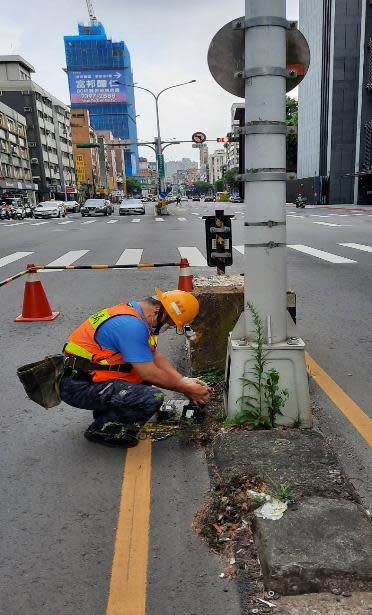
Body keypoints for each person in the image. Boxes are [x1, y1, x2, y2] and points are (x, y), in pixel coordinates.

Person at [60, 288, 210, 448]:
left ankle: (108, 414)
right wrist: (184, 388)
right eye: (169, 322)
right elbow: (148, 372)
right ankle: (104, 431)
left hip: (88, 380)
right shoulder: (131, 326)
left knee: (139, 380)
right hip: (78, 387)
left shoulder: (133, 315)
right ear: (158, 310)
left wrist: (183, 381)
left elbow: (154, 357)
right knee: (151, 397)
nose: (167, 327)